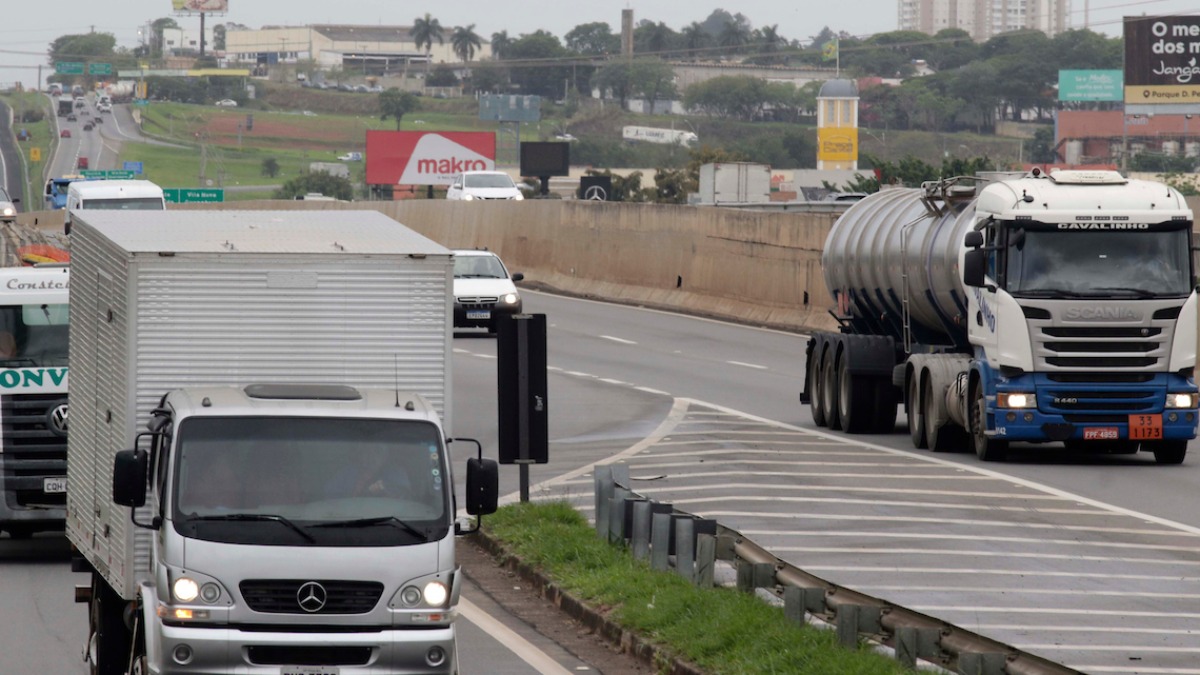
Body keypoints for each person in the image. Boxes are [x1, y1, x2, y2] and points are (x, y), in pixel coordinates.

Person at [329, 445, 412, 499]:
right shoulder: (346, 473)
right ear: (359, 455)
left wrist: (385, 490)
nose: (371, 455)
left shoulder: (397, 473)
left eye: (377, 451)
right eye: (367, 451)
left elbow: (404, 499)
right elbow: (330, 498)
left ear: (386, 456)